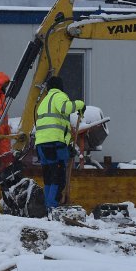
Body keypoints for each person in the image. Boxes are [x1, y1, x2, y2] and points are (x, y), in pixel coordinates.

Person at [34, 75, 85, 211]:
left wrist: (68, 147)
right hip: (53, 143)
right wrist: (80, 104)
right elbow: (65, 108)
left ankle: (47, 206)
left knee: (49, 177)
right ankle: (52, 207)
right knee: (58, 177)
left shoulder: (44, 101)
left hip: (41, 145)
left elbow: (57, 125)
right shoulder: (59, 95)